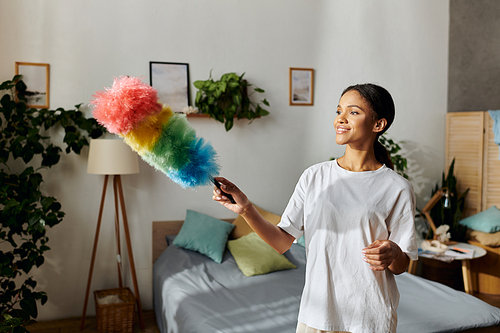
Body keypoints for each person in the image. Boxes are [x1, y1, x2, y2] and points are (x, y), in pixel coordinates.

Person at [213, 83, 418, 333]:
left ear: (379, 125)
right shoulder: (314, 177)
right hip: (316, 315)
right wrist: (246, 209)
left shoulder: (397, 187)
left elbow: (401, 265)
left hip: (370, 319)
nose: (340, 119)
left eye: (353, 112)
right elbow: (282, 242)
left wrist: (393, 252)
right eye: (338, 110)